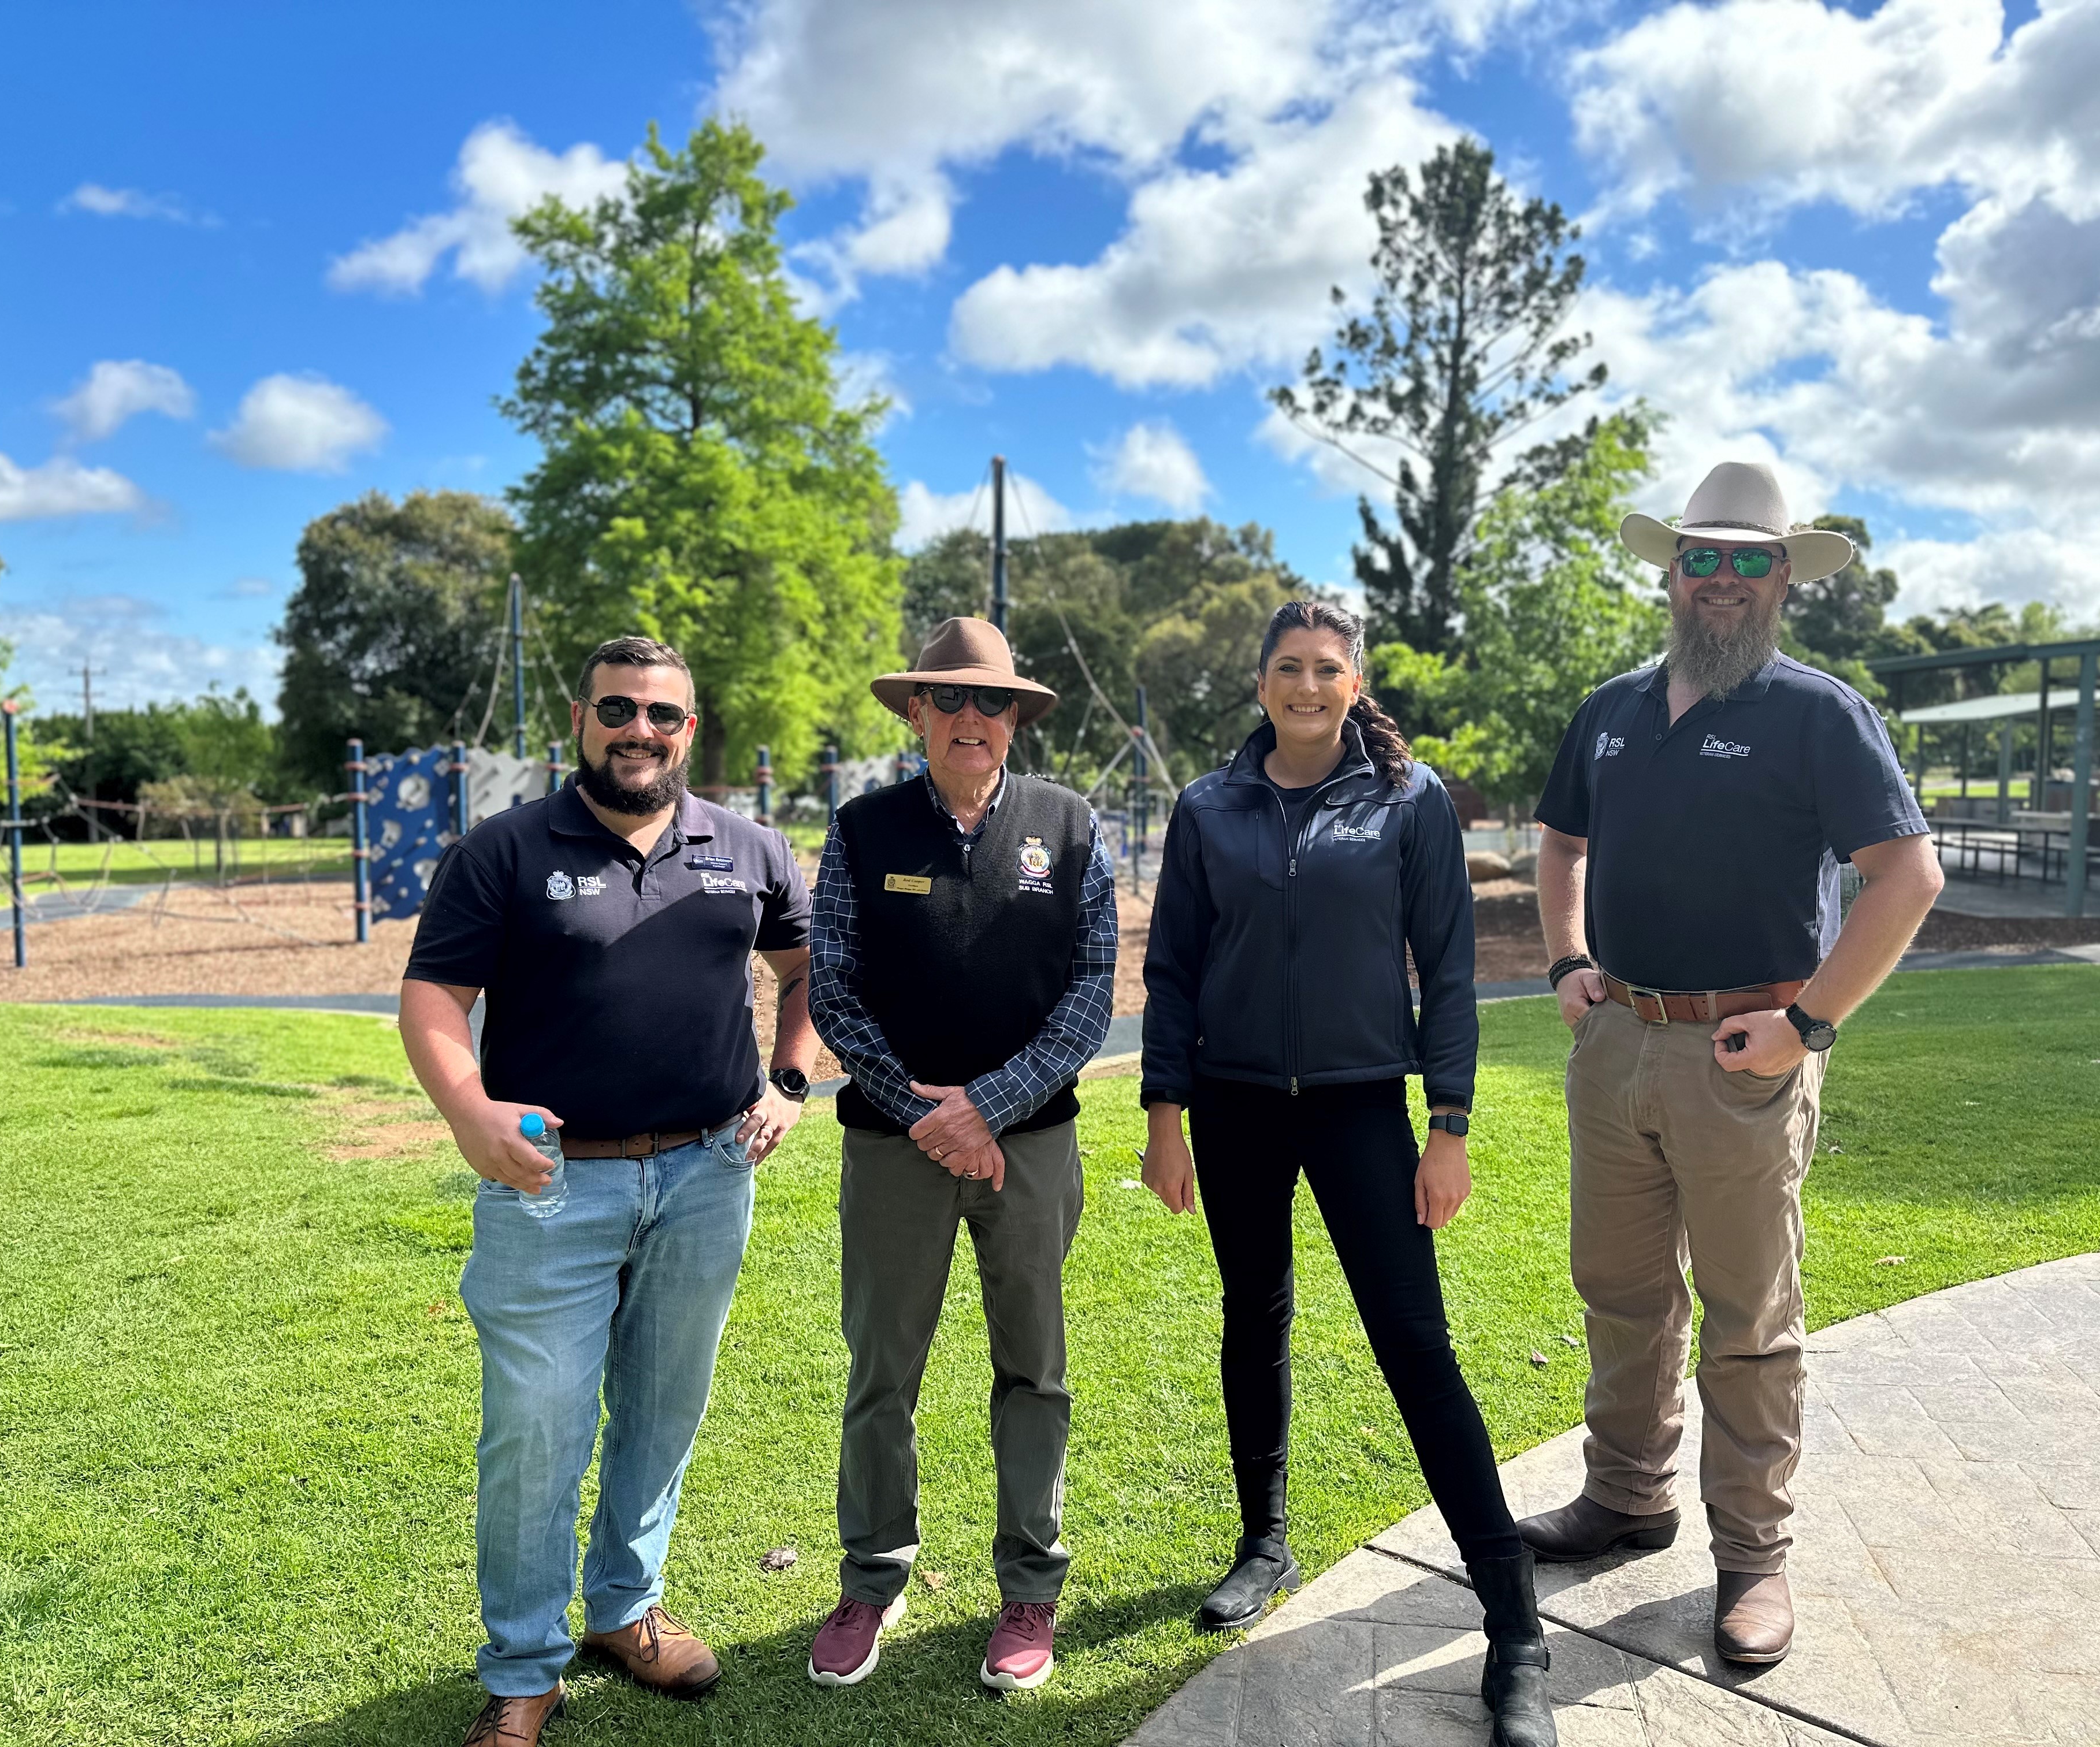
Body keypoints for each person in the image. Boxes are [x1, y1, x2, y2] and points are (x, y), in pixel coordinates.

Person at [1524, 461, 1942, 1667]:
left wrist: (1807, 1026)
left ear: (1783, 580)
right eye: (1700, 557)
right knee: (1620, 1290)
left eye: (1747, 559)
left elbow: (1906, 878)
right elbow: (1560, 840)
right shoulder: (1608, 710)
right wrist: (1566, 963)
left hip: (1742, 1059)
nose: (1721, 579)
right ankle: (1627, 1498)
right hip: (1616, 1048)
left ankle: (1753, 1556)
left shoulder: (1819, 713)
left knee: (1750, 1316)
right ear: (1669, 573)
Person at [1140, 600, 1559, 1747]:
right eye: (1289, 667)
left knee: (1416, 1347)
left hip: (1363, 1103)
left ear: (1354, 677)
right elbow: (1171, 970)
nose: (1308, 685)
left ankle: (1514, 1625)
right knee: (1253, 1317)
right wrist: (1164, 1111)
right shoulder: (1208, 808)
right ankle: (1263, 1544)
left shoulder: (1408, 801)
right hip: (1232, 1108)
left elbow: (1453, 971)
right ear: (1262, 681)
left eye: (1328, 668)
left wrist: (1452, 1124)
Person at [399, 635, 820, 1745]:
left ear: (691, 729)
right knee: (537, 1428)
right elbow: (435, 996)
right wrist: (468, 1111)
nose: (641, 730)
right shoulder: (506, 848)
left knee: (662, 1409)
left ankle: (626, 1614)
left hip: (708, 1170)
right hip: (553, 1180)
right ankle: (523, 1669)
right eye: (619, 709)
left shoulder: (748, 847)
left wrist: (788, 1078)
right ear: (582, 720)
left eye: (664, 716)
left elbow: (807, 970)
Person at [804, 616, 1117, 1696]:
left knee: (1034, 1368)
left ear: (1017, 718)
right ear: (916, 714)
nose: (972, 719)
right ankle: (871, 1576)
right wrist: (925, 1114)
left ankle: (1030, 1585)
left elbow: (1092, 994)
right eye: (951, 701)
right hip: (896, 1152)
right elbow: (832, 988)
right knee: (881, 1370)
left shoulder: (1070, 828)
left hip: (1030, 1146)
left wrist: (988, 1106)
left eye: (993, 703)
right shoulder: (860, 830)